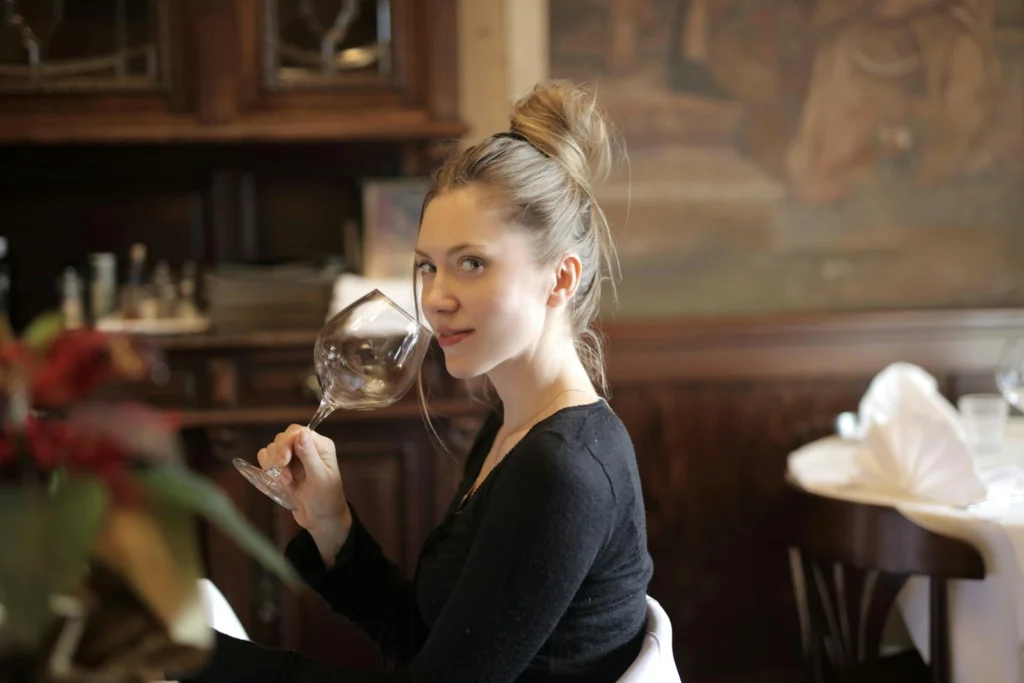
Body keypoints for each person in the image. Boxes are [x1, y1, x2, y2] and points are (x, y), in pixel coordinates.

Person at [178, 80, 654, 683]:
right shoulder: (512, 426)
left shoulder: (563, 469)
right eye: (428, 266)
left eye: (472, 263)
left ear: (560, 279)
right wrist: (331, 522)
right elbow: (422, 642)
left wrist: (202, 662)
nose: (435, 298)